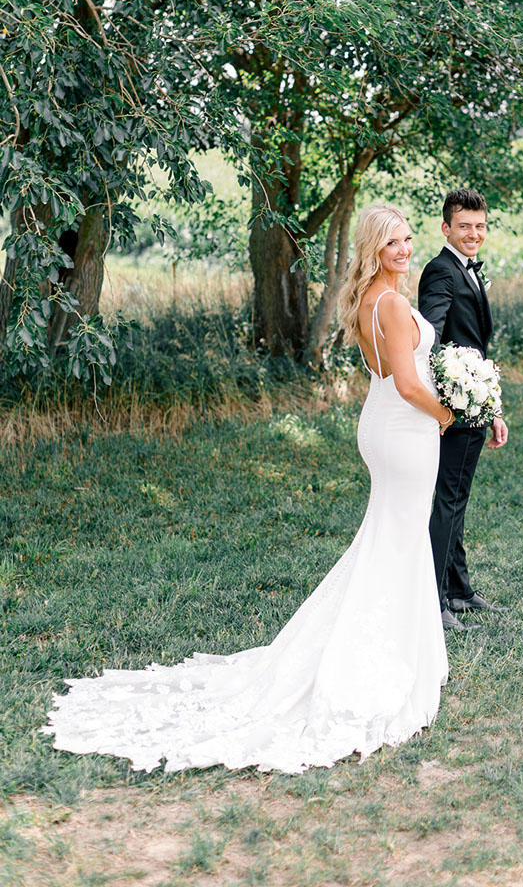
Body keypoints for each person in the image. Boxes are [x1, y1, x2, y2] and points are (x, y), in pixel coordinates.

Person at [41, 204, 452, 774]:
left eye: (408, 239)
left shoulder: (365, 302)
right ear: (374, 250)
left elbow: (390, 377)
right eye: (392, 244)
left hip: (380, 424)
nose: (405, 250)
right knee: (400, 538)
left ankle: (383, 642)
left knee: (389, 536)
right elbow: (410, 384)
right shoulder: (397, 305)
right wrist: (448, 412)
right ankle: (375, 660)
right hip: (407, 428)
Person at [417, 188, 509, 632]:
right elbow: (431, 341)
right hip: (454, 407)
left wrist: (489, 407)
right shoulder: (441, 271)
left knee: (457, 500)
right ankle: (434, 602)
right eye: (465, 226)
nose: (474, 234)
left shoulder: (467, 269)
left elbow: (473, 343)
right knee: (448, 502)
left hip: (475, 402)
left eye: (480, 226)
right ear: (446, 228)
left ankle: (459, 589)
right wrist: (446, 402)